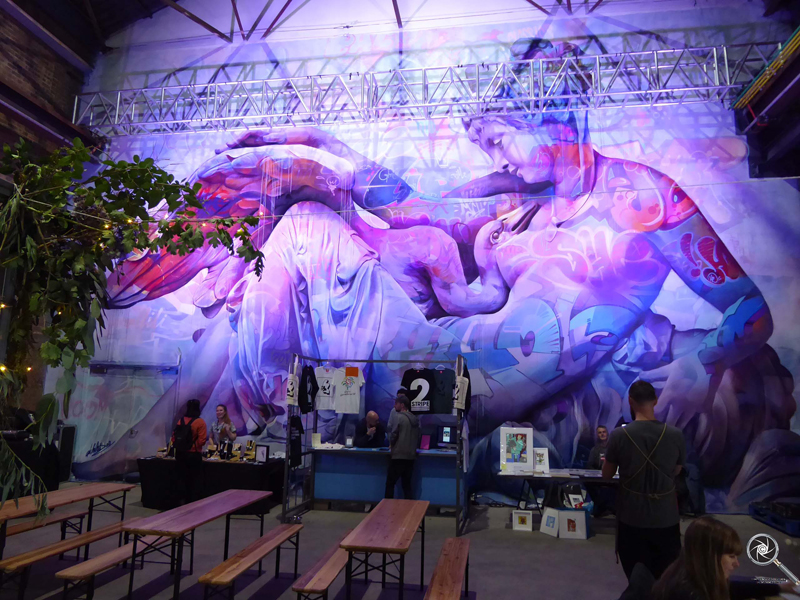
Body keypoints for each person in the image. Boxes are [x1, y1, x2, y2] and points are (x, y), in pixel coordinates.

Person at [603, 381, 686, 581]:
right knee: (666, 578)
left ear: (630, 401)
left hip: (631, 516)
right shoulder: (675, 435)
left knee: (636, 580)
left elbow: (607, 475)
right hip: (666, 516)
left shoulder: (619, 435)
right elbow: (676, 470)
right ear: (655, 401)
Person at [651, 516, 796, 600]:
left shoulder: (692, 574)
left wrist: (779, 588)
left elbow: (730, 588)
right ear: (709, 556)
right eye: (731, 556)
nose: (737, 564)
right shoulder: (689, 594)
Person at [172, 399, 207, 504]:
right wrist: (194, 447)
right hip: (193, 454)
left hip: (180, 453)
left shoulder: (181, 420)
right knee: (194, 479)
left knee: (181, 477)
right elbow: (202, 440)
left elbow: (174, 436)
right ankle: (193, 501)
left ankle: (180, 500)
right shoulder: (200, 422)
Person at [385, 395, 420, 499]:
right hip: (411, 456)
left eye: (396, 403)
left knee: (390, 483)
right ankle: (409, 507)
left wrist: (391, 443)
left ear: (402, 405)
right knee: (406, 484)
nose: (394, 406)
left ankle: (387, 505)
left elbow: (393, 434)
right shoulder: (415, 419)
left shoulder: (398, 417)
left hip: (398, 455)